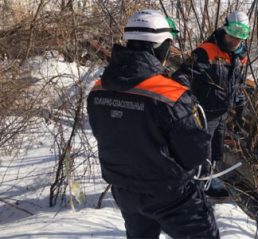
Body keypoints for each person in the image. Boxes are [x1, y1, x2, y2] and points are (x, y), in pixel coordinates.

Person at [86, 9, 219, 238]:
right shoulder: (171, 95)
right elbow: (195, 154)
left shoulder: (98, 90)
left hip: (125, 191)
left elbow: (107, 135)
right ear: (161, 46)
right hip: (171, 195)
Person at [173, 11, 250, 198]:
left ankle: (208, 178)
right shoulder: (207, 51)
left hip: (223, 111)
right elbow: (182, 76)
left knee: (216, 149)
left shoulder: (240, 55)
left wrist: (239, 104)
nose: (235, 40)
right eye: (232, 34)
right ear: (225, 28)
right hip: (204, 111)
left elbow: (237, 82)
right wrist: (190, 101)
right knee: (202, 150)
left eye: (240, 36)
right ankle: (197, 185)